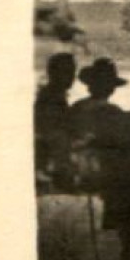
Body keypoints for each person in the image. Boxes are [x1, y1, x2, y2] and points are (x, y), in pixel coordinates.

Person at [68, 58, 130, 260]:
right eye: (107, 85)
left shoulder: (79, 107)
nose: (109, 89)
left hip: (89, 163)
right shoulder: (109, 112)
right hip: (104, 166)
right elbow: (123, 138)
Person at [34, 52, 77, 195]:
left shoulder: (53, 95)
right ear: (54, 73)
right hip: (52, 152)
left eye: (72, 72)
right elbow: (52, 132)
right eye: (67, 72)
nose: (72, 77)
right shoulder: (51, 98)